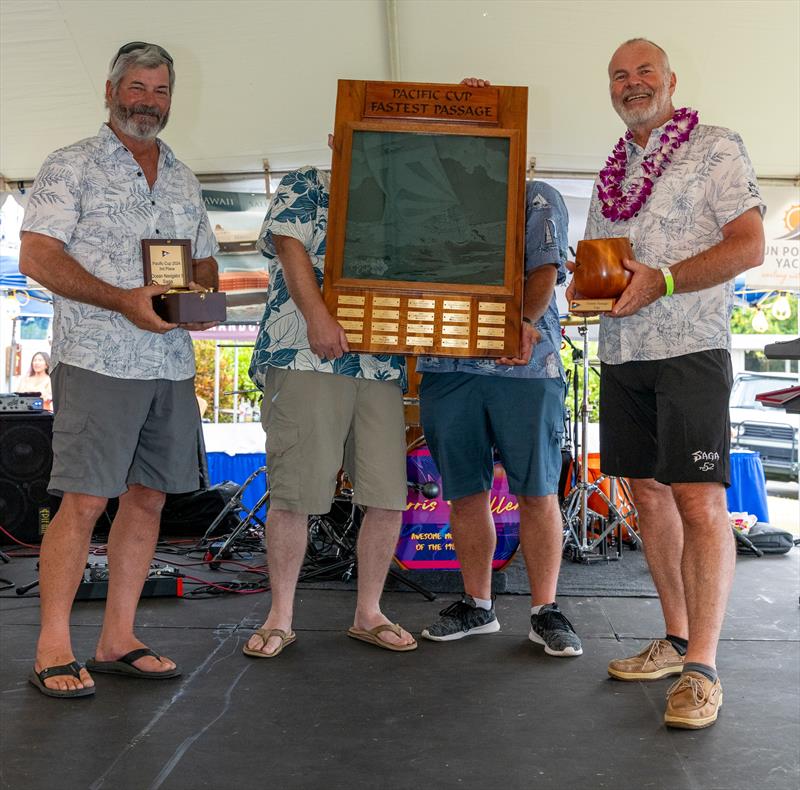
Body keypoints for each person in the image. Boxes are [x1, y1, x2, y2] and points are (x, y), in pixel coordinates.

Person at [569, 38, 765, 728]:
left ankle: (703, 669)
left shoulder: (715, 146)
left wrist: (669, 279)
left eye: (644, 70)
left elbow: (750, 244)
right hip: (623, 352)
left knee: (698, 500)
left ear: (671, 80)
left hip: (691, 349)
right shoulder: (611, 172)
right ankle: (677, 639)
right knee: (647, 496)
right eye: (619, 74)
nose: (632, 83)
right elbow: (606, 263)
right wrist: (583, 288)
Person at [19, 42, 220, 698]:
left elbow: (207, 262)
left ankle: (117, 638)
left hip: (166, 360)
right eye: (137, 87)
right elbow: (38, 257)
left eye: (160, 91)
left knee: (150, 497)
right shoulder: (69, 164)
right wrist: (123, 301)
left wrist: (199, 298)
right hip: (98, 357)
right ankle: (53, 645)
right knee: (84, 500)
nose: (149, 102)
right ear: (110, 92)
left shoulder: (185, 177)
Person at [417, 80, 582, 657]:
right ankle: (478, 605)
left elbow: (546, 269)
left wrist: (523, 321)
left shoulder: (537, 195)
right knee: (465, 492)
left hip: (525, 370)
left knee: (538, 491)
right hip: (446, 367)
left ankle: (546, 610)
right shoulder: (426, 204)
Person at [245, 153, 416, 658]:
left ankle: (369, 613)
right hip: (305, 352)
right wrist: (318, 316)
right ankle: (280, 616)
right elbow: (288, 245)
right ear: (337, 136)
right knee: (295, 493)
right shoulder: (309, 181)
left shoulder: (403, 205)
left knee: (387, 496)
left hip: (380, 365)